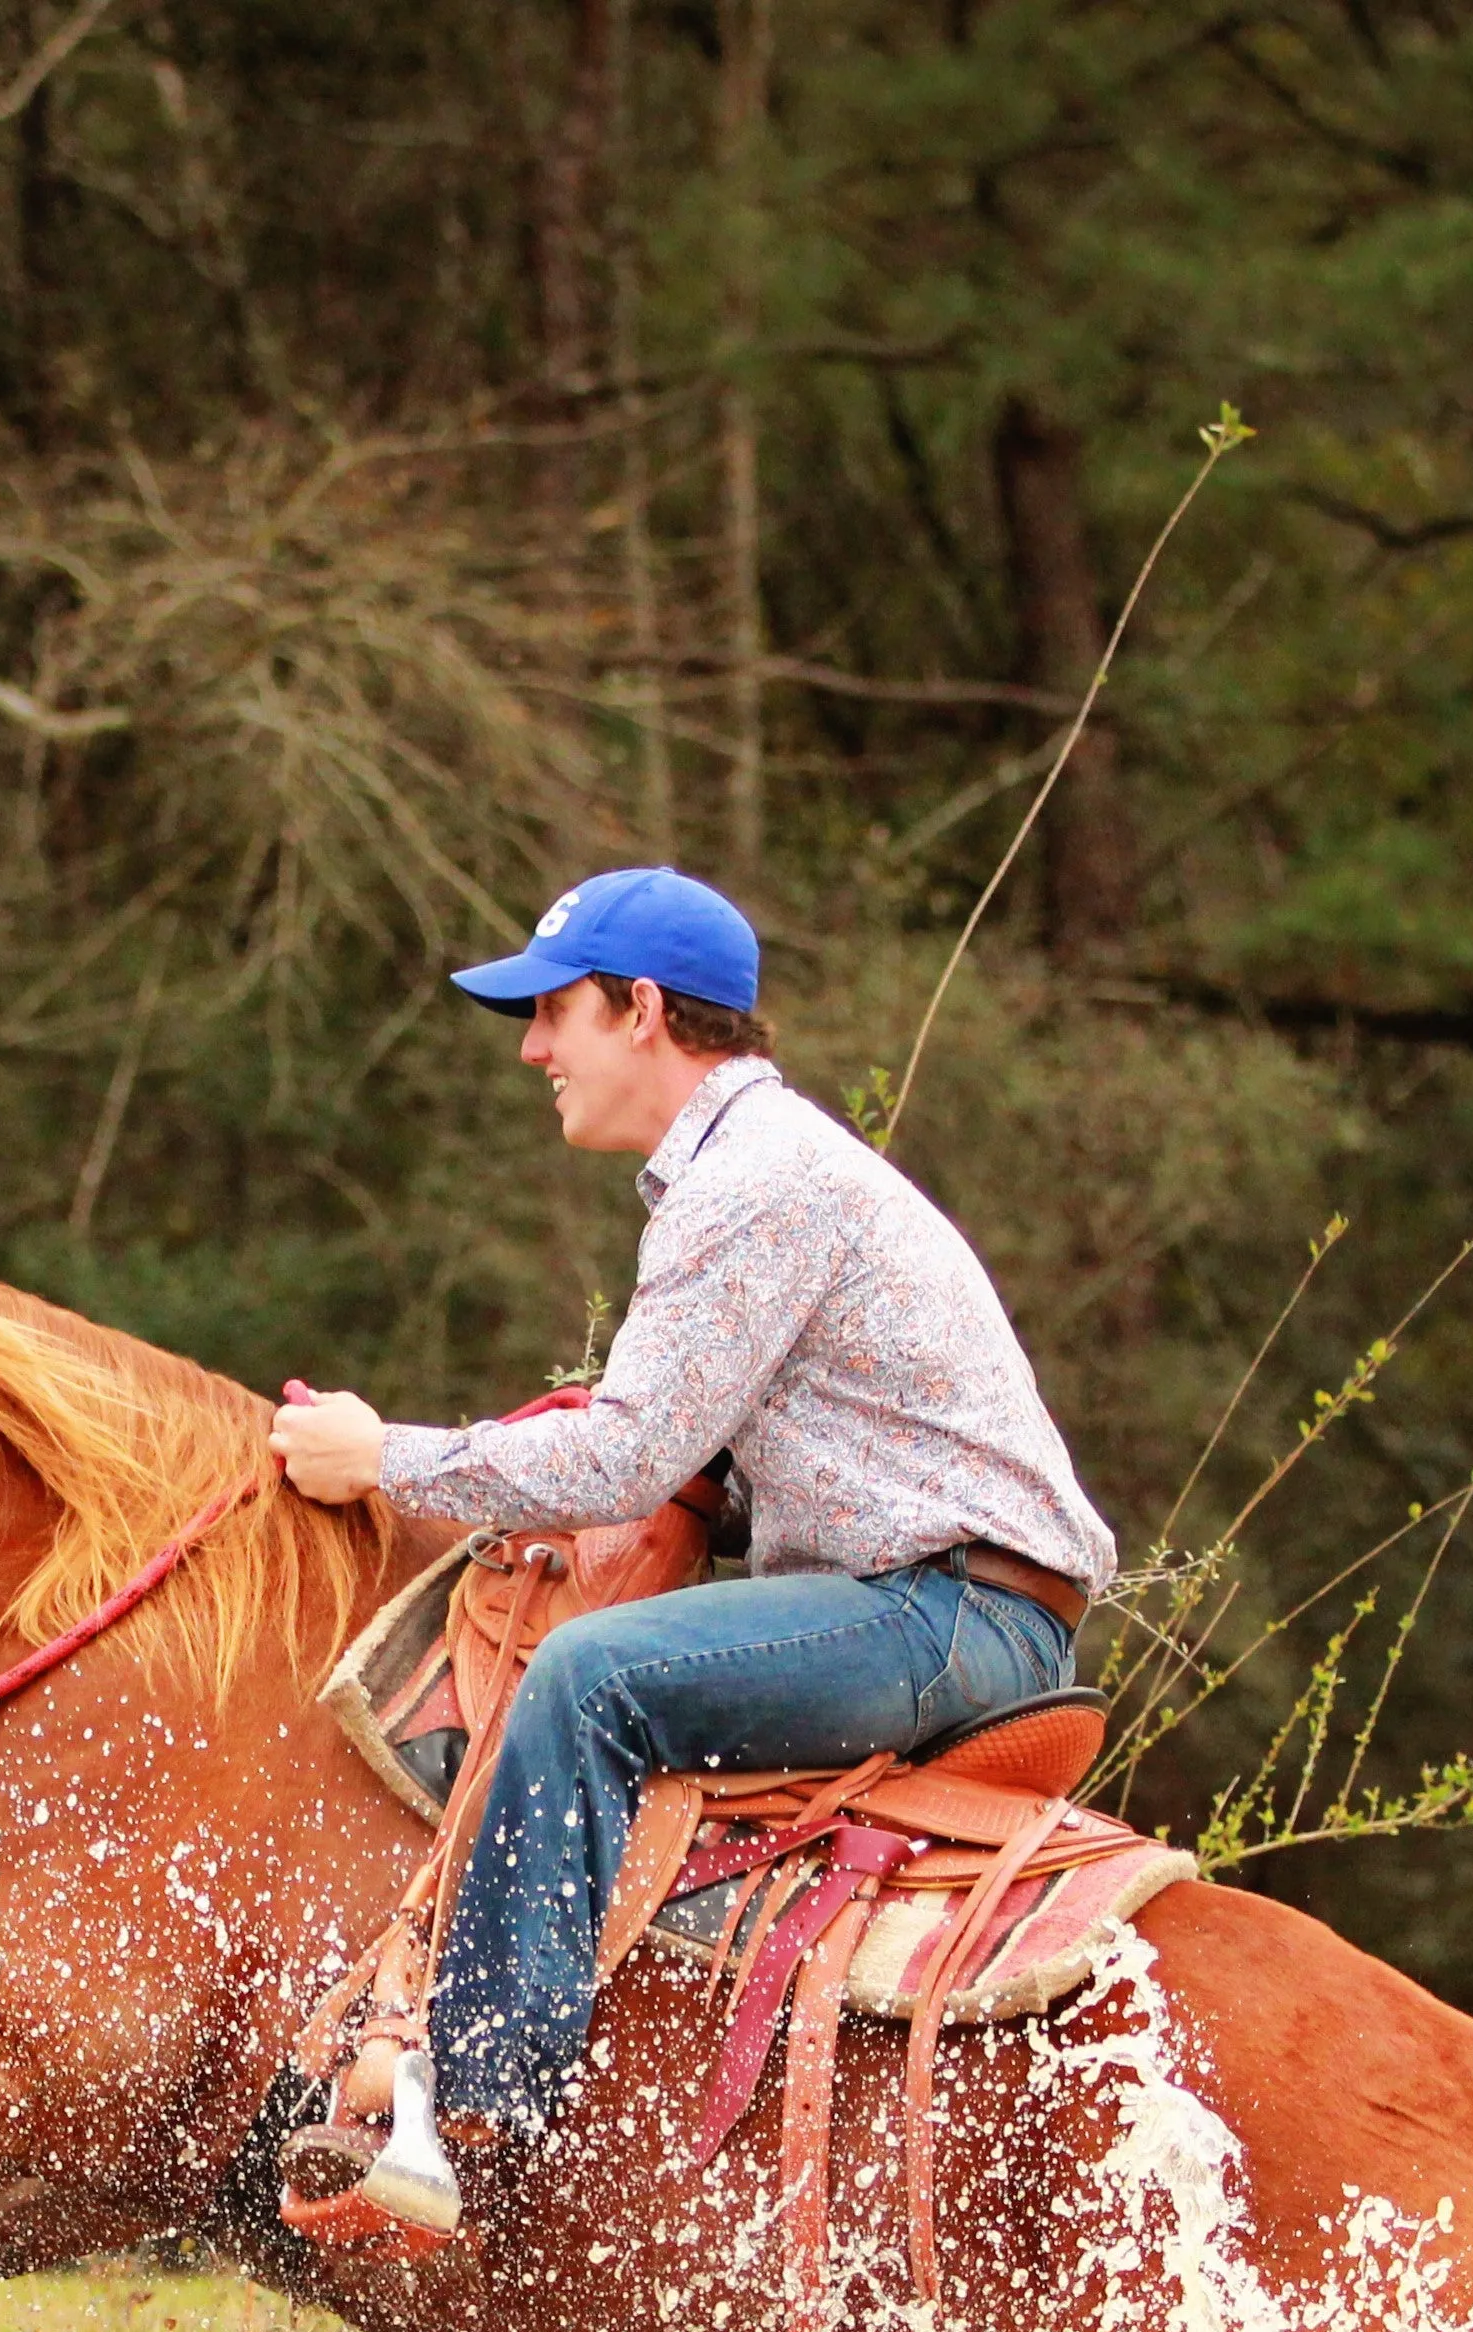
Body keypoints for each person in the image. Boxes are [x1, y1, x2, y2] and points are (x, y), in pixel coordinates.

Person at [271, 864, 1114, 2227]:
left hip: (944, 1615)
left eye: (555, 1015)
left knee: (588, 1678)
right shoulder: (764, 1171)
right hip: (943, 1602)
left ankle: (464, 2120)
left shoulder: (757, 1186)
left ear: (643, 1010)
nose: (536, 1049)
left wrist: (386, 1459)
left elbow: (625, 1458)